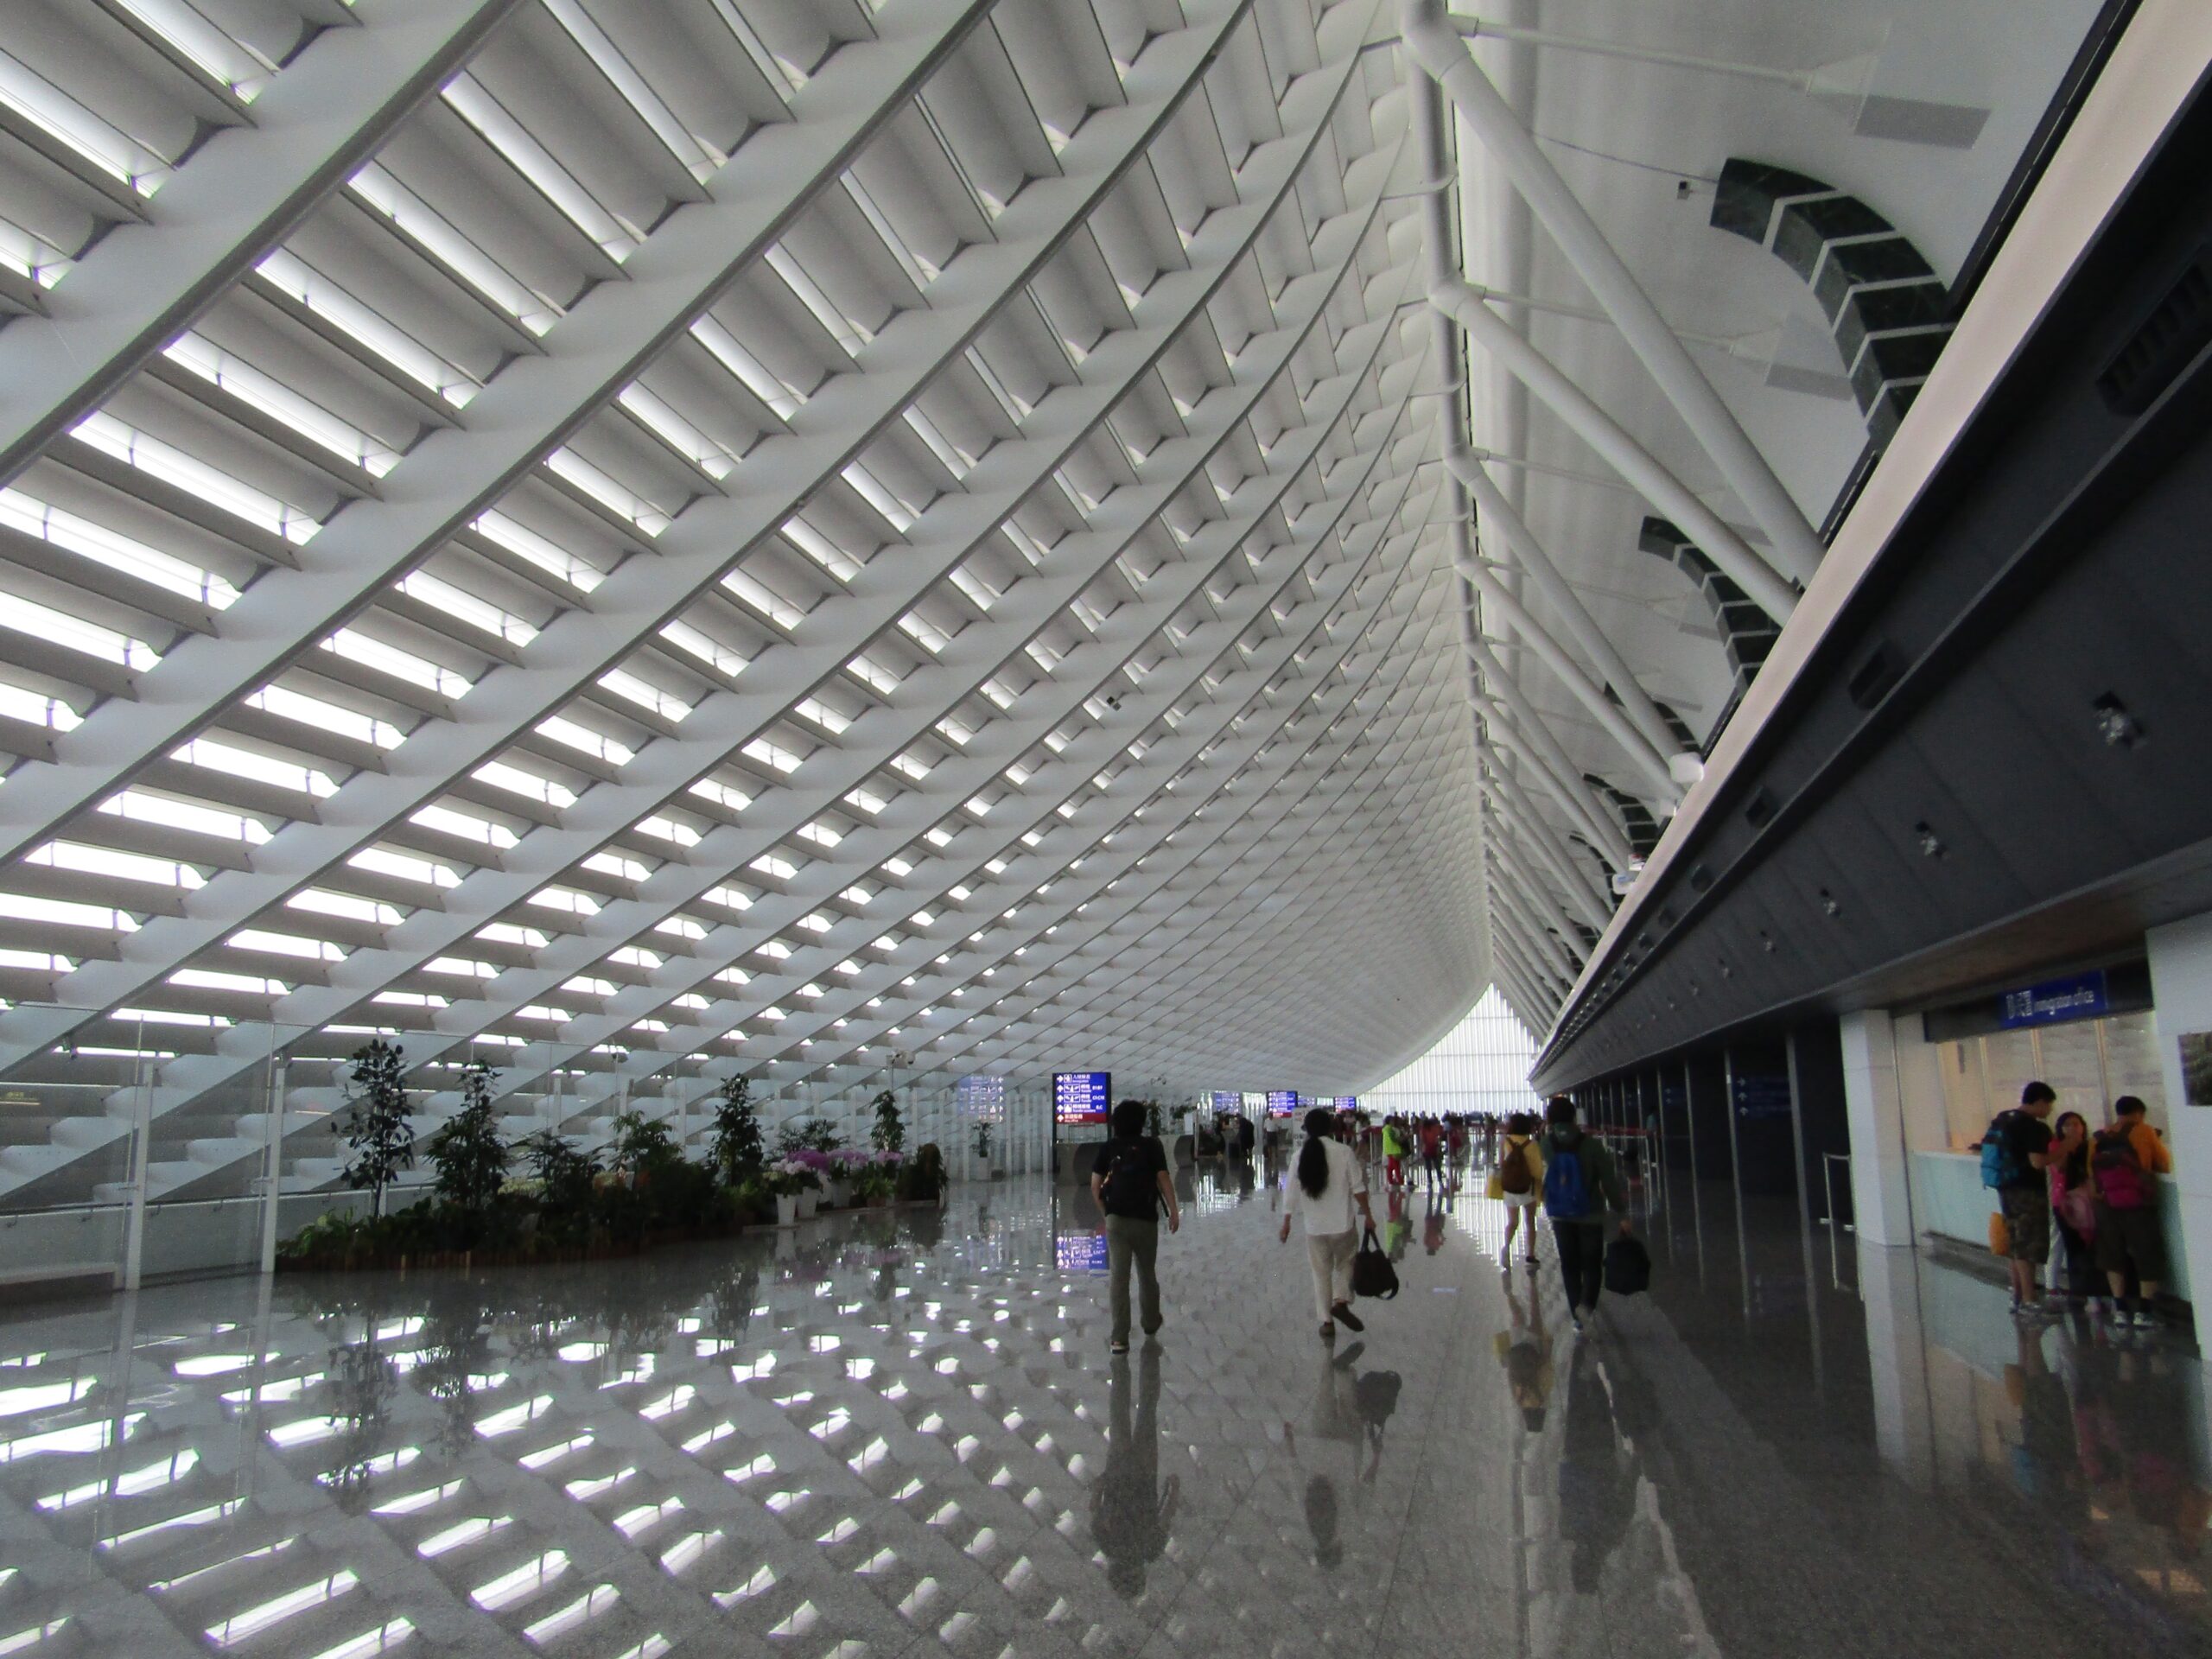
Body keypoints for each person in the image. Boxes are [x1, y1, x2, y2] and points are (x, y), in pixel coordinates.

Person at [1278, 1107, 1376, 1341]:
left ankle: (1327, 1322)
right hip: (1342, 1224)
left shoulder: (1299, 1156)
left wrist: (1287, 1221)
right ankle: (1341, 1301)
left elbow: (1290, 1191)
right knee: (1346, 1263)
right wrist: (1369, 1215)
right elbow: (1358, 1188)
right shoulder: (1343, 1152)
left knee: (1320, 1273)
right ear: (1331, 1128)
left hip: (1314, 1228)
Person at [1091, 1099, 1179, 1355]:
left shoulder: (1108, 1147)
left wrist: (1106, 1214)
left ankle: (1119, 1338)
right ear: (1141, 1121)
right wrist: (1174, 1210)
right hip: (1145, 1219)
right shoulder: (1152, 1145)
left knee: (1119, 1276)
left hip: (1116, 1219)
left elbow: (1095, 1186)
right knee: (1146, 1273)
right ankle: (1150, 1323)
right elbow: (1163, 1178)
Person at [1539, 1096, 1630, 1330]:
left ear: (1550, 1118)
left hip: (1560, 1213)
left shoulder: (1546, 1144)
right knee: (1591, 1264)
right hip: (1591, 1213)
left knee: (1569, 1265)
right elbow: (1608, 1180)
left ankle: (1577, 1321)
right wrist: (1621, 1210)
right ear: (1574, 1117)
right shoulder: (1592, 1144)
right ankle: (1587, 1306)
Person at [2090, 1094, 2173, 1329]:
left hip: (2106, 1205)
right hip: (2138, 1205)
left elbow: (2092, 1176)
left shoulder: (2098, 1137)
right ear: (2140, 1113)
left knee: (2112, 1255)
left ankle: (2120, 1310)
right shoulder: (2145, 1131)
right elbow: (2164, 1164)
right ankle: (2144, 1312)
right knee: (2147, 1253)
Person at [1983, 1080, 2057, 1317]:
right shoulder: (2032, 1127)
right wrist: (2066, 1146)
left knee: (2016, 1242)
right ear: (2039, 1102)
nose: (2050, 1111)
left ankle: (2017, 1298)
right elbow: (2038, 1162)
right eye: (2049, 1105)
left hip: (2006, 1188)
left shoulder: (2005, 1119)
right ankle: (2030, 1301)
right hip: (2027, 1191)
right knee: (2028, 1245)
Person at [2046, 1109, 2099, 1308]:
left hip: (2087, 1202)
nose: (2072, 1128)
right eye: (2067, 1124)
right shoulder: (2056, 1146)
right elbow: (2059, 1167)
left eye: (2076, 1124)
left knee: (2089, 1245)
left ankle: (2094, 1291)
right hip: (2064, 1203)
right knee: (2072, 1246)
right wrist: (2069, 1145)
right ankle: (2079, 1292)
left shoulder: (2090, 1146)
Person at [1494, 1110, 1545, 1268]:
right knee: (1530, 1222)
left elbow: (1501, 1164)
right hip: (1527, 1188)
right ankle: (1530, 1255)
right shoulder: (1532, 1144)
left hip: (1510, 1188)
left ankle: (1506, 1248)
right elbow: (1537, 1170)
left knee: (1513, 1222)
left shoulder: (1506, 1142)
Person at [1382, 1116, 1408, 1189]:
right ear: (1389, 1121)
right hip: (1394, 1150)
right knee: (1396, 1166)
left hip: (1388, 1150)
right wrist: (1403, 1138)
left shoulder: (1385, 1129)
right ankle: (1400, 1181)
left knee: (1390, 1166)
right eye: (1392, 1121)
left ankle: (1391, 1181)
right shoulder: (1390, 1130)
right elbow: (1394, 1139)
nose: (1394, 1122)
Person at [1418, 1118, 1445, 1190]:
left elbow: (1422, 1140)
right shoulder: (1434, 1128)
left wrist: (1421, 1149)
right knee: (1437, 1165)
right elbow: (1441, 1132)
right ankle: (1440, 1180)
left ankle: (1430, 1180)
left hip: (1426, 1149)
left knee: (1428, 1166)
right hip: (1434, 1148)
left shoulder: (1423, 1129)